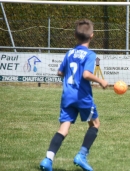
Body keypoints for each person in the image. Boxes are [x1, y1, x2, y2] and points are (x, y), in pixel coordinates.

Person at [39, 19, 108, 171]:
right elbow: (86, 74)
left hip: (67, 96)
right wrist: (101, 81)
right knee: (95, 124)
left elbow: (60, 72)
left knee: (63, 128)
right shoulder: (90, 54)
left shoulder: (69, 52)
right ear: (92, 36)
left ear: (76, 36)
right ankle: (81, 155)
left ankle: (48, 159)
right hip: (82, 97)